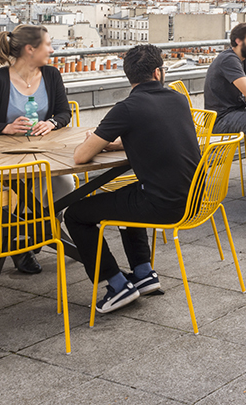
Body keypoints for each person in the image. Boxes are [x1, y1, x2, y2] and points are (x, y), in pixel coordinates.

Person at [65, 44, 201, 315]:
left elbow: (80, 157)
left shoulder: (127, 108)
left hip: (163, 204)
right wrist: (117, 145)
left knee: (75, 214)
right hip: (195, 197)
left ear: (128, 76)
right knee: (129, 195)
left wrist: (100, 143)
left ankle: (116, 284)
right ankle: (143, 272)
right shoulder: (178, 99)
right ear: (158, 73)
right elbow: (158, 136)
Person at [0, 24, 73, 275]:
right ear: (30, 49)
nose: (52, 49)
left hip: (42, 152)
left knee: (66, 185)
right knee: (35, 185)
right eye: (47, 44)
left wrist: (52, 123)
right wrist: (5, 128)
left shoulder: (51, 75)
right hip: (2, 159)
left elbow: (64, 112)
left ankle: (35, 232)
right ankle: (26, 241)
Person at [204, 22, 246, 140]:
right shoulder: (229, 59)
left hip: (237, 112)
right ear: (239, 41)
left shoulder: (245, 57)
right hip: (221, 119)